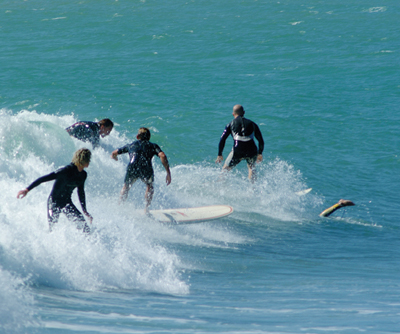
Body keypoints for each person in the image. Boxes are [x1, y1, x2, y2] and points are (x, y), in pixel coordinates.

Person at [17, 148, 93, 233]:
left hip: (67, 203)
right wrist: (27, 189)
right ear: (83, 160)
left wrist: (84, 210)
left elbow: (81, 192)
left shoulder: (83, 175)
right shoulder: (65, 171)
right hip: (54, 202)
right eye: (88, 159)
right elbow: (43, 179)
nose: (89, 161)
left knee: (84, 227)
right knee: (53, 228)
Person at [111, 127, 171, 212]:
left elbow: (113, 153)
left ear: (137, 136)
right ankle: (146, 210)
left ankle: (119, 207)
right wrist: (168, 173)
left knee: (126, 186)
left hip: (132, 167)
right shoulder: (153, 146)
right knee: (149, 186)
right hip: (145, 168)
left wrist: (114, 158)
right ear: (149, 137)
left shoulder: (131, 145)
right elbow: (162, 156)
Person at [216, 104, 264, 182]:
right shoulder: (253, 124)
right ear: (244, 112)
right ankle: (253, 190)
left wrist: (219, 154)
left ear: (233, 114)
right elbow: (260, 140)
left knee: (224, 171)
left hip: (238, 150)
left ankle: (220, 188)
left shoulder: (230, 124)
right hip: (251, 149)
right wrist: (260, 153)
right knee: (251, 168)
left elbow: (222, 139)